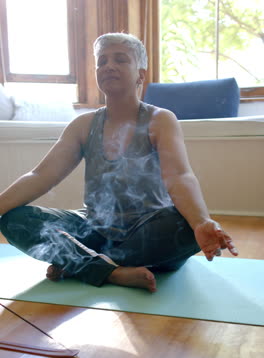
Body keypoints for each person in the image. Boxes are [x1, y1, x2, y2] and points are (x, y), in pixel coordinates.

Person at [0, 32, 238, 293]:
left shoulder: (160, 120)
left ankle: (79, 262)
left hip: (147, 229)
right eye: (102, 61)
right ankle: (111, 271)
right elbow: (40, 176)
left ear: (140, 75)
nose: (109, 66)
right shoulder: (83, 125)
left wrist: (201, 222)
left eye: (120, 59)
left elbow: (179, 177)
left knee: (185, 226)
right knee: (14, 219)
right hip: (93, 228)